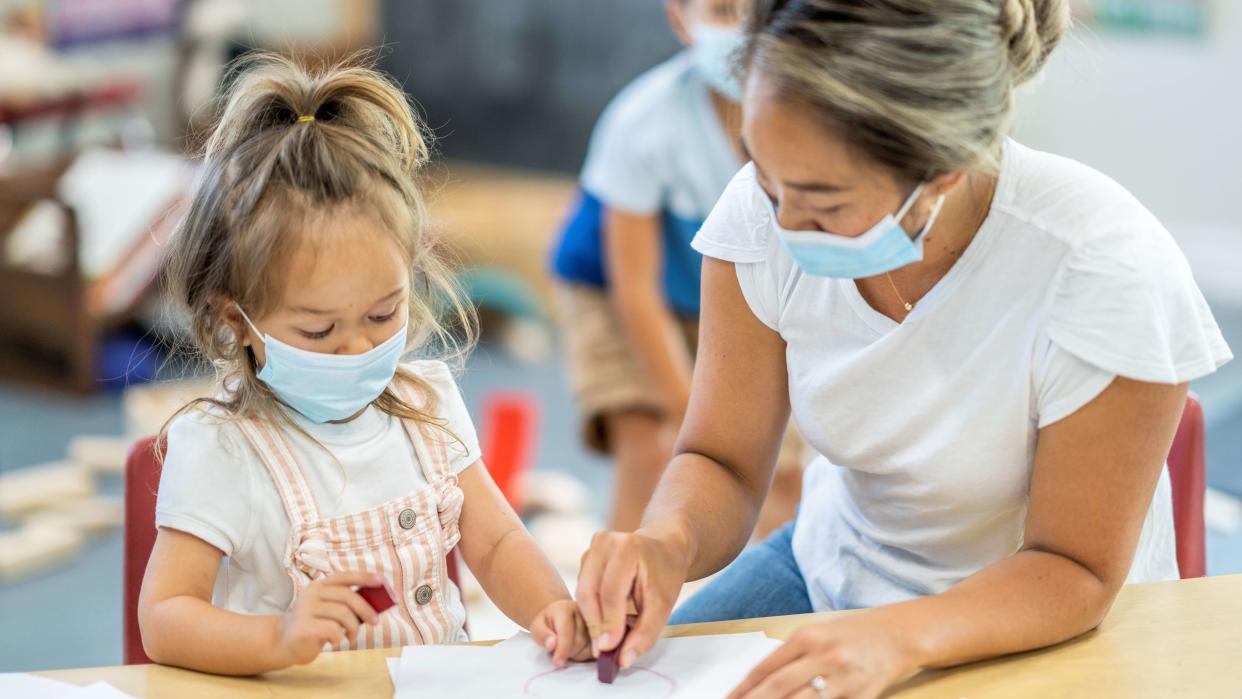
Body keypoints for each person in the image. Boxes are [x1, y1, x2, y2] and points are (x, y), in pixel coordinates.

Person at [574, 1, 1233, 697]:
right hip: (835, 563)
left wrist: (897, 633)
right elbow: (721, 459)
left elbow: (1075, 569)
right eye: (766, 175)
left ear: (943, 169)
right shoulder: (758, 214)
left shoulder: (1102, 268)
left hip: (1044, 608)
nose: (784, 220)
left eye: (825, 202)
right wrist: (666, 540)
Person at [138, 54, 591, 675]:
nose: (358, 348)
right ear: (235, 318)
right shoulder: (221, 448)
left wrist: (551, 608)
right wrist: (277, 637)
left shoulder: (425, 403)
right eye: (319, 329)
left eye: (384, 315)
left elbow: (498, 540)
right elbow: (165, 618)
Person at [550, 0, 803, 533]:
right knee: (653, 448)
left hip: (729, 288)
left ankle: (773, 596)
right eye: (723, 10)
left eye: (759, 10)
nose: (744, 28)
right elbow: (636, 291)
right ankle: (613, 597)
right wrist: (693, 420)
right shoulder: (643, 123)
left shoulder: (809, 119)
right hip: (614, 291)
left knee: (780, 466)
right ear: (678, 19)